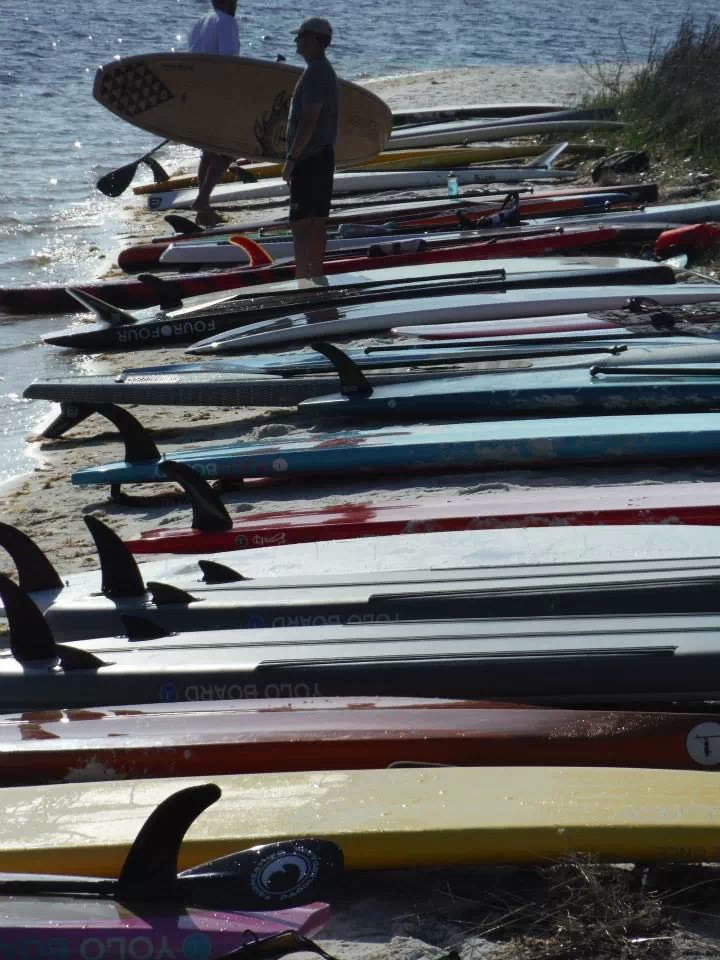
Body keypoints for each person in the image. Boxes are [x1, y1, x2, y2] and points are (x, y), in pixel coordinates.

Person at [281, 17, 338, 278]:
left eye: (301, 36)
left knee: (303, 225)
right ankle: (314, 276)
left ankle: (304, 278)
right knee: (315, 223)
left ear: (316, 40)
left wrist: (292, 159)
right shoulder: (321, 70)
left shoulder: (316, 71)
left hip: (310, 158)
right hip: (320, 156)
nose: (296, 41)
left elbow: (309, 119)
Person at [189, 0, 240, 226]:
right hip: (218, 94)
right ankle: (202, 201)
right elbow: (229, 62)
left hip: (198, 93)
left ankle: (203, 209)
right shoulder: (227, 21)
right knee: (231, 148)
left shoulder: (201, 22)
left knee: (208, 152)